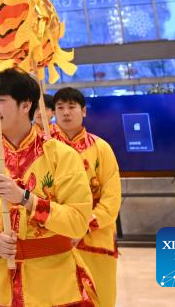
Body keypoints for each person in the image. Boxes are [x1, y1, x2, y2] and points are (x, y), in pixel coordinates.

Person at [0, 70, 97, 307]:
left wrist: (28, 200)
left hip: (56, 284)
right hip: (0, 284)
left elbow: (78, 221)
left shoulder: (61, 156)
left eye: (0, 101)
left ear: (26, 105)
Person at [52, 87, 122, 307]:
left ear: (83, 111)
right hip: (55, 237)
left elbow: (111, 199)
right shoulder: (44, 148)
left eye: (72, 107)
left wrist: (81, 226)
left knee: (100, 297)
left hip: (95, 237)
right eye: (60, 107)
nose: (65, 112)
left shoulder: (101, 149)